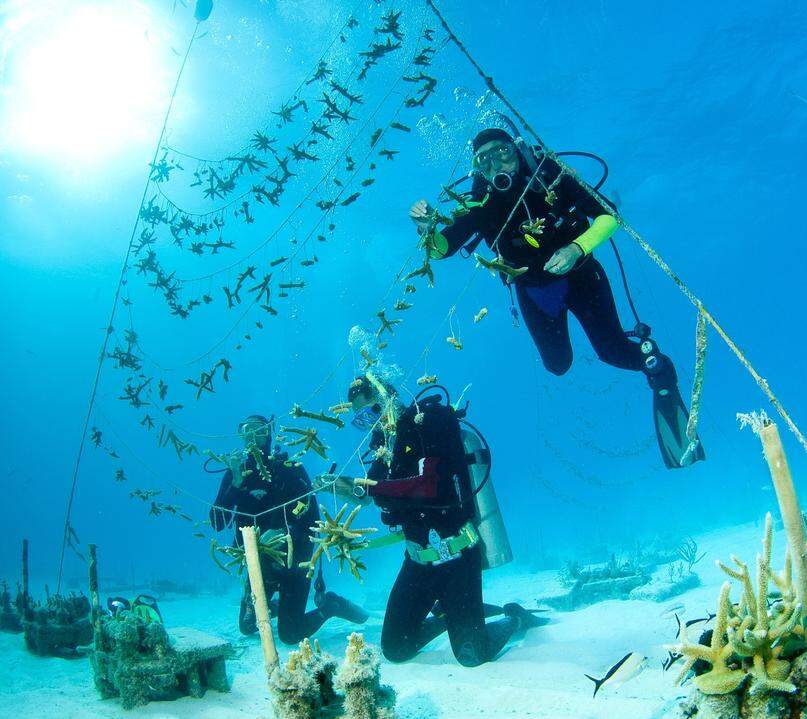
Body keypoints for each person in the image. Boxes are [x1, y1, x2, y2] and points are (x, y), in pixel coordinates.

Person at [409, 127, 705, 469]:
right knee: (557, 365)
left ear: (518, 151)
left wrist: (576, 247)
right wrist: (425, 226)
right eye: (485, 160)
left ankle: (656, 366)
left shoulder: (549, 177)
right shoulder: (479, 203)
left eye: (502, 152)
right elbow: (441, 249)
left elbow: (608, 215)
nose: (496, 164)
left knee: (610, 351)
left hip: (583, 278)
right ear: (478, 169)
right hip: (535, 293)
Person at [327, 375, 546, 667]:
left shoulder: (429, 423)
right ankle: (453, 618)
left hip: (456, 556)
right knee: (395, 648)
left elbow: (429, 487)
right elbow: (371, 491)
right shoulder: (384, 444)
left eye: (371, 412)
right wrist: (347, 490)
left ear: (387, 399)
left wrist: (367, 487)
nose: (370, 423)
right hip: (417, 561)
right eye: (360, 420)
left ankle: (514, 617)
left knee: (473, 655)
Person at [210, 414, 367, 644]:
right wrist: (234, 484)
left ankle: (331, 605)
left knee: (289, 634)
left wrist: (283, 533)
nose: (253, 437)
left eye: (259, 430)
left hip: (294, 561)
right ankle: (282, 606)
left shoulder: (289, 468)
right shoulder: (235, 473)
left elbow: (310, 511)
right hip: (259, 564)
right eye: (247, 431)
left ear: (269, 433)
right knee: (247, 625)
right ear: (241, 436)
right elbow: (217, 522)